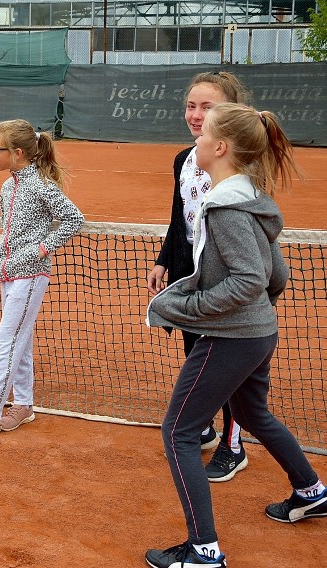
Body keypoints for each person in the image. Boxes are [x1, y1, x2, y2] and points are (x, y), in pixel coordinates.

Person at [145, 103, 327, 568]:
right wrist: (257, 317)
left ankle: (203, 551)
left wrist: (188, 309)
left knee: (179, 431)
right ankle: (311, 490)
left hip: (231, 338)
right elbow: (276, 274)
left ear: (220, 147)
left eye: (203, 133)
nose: (196, 141)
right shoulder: (250, 197)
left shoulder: (224, 206)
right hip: (256, 334)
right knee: (252, 412)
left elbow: (248, 279)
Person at [0, 119, 84, 434]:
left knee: (6, 341)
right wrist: (0, 262)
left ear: (17, 152)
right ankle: (22, 404)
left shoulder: (39, 183)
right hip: (9, 274)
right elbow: (8, 231)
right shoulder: (8, 186)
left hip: (31, 275)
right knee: (19, 339)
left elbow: (72, 218)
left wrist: (41, 250)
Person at [146, 71, 252, 482]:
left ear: (229, 111)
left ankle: (234, 445)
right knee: (197, 355)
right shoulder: (183, 159)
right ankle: (204, 424)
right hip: (191, 273)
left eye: (206, 106)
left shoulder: (242, 160)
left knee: (227, 363)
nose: (195, 114)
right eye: (191, 105)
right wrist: (163, 261)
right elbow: (181, 219)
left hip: (228, 277)